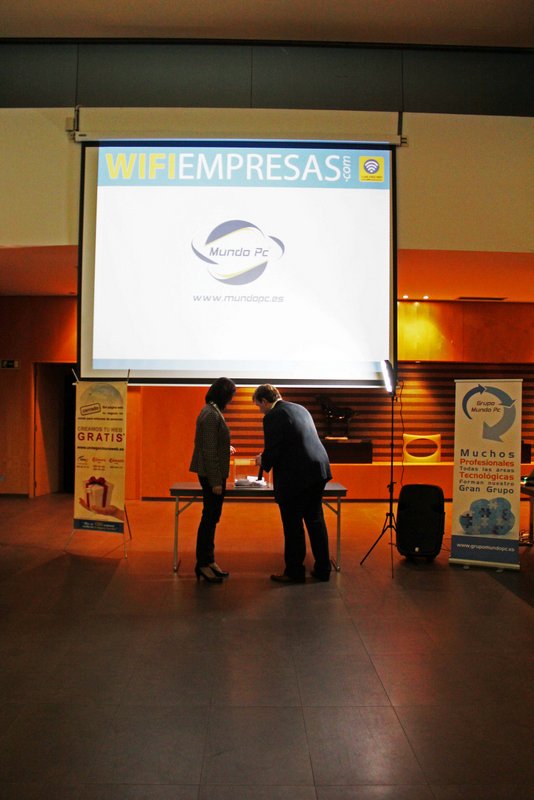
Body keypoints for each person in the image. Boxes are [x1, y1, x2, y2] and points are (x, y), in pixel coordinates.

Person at [253, 384, 332, 583]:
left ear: (264, 401)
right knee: (315, 521)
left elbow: (274, 448)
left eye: (259, 406)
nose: (260, 410)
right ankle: (323, 569)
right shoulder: (300, 408)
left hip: (297, 476)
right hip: (318, 470)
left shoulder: (273, 415)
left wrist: (263, 460)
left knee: (293, 525)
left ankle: (295, 571)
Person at [190, 377, 236, 583]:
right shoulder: (211, 414)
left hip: (211, 473)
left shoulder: (210, 410)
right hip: (211, 475)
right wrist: (216, 481)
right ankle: (203, 563)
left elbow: (210, 443)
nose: (231, 400)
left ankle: (209, 561)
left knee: (212, 518)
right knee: (209, 519)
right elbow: (208, 450)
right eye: (231, 395)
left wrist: (225, 448)